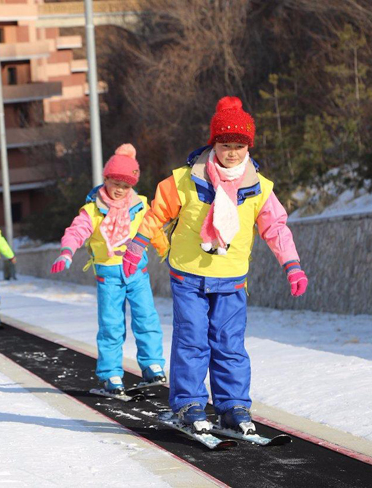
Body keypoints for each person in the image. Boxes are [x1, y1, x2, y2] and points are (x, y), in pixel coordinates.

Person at [122, 97, 309, 434]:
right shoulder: (183, 180)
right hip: (188, 275)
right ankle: (189, 405)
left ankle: (233, 406)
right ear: (214, 143)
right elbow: (155, 215)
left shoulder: (258, 188)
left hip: (231, 279)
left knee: (229, 344)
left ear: (248, 147)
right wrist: (137, 246)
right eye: (225, 144)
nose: (232, 152)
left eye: (239, 146)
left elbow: (276, 228)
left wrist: (292, 264)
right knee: (192, 341)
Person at [50, 144, 166, 395]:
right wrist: (67, 251)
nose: (120, 190)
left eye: (126, 186)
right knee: (111, 326)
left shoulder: (139, 206)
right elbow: (76, 231)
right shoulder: (93, 210)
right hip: (109, 276)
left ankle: (153, 365)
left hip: (138, 272)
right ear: (106, 180)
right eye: (115, 183)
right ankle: (112, 375)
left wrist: (165, 250)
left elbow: (153, 230)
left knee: (146, 318)